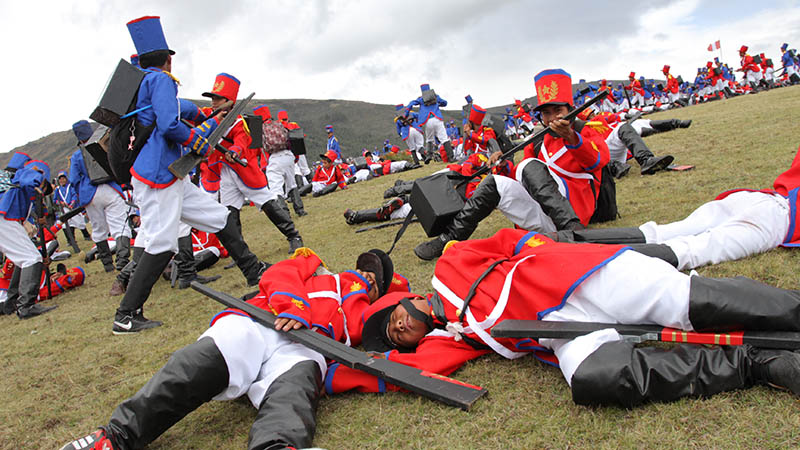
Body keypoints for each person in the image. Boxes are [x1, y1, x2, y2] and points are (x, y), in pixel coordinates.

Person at [329, 227, 800, 409]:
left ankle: (792, 311)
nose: (399, 330)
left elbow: (510, 240)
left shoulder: (451, 266)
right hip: (561, 332)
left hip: (579, 276)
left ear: (405, 300)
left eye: (393, 320)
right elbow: (399, 371)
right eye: (397, 337)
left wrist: (547, 256)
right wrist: (328, 370)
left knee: (691, 303)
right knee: (596, 380)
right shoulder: (454, 340)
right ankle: (754, 363)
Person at [60, 248, 395, 450]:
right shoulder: (317, 268)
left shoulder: (367, 314)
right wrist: (292, 305)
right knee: (198, 363)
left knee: (294, 393)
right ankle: (117, 436)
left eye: (374, 280)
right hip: (263, 320)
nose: (366, 277)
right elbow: (280, 273)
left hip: (307, 348)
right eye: (365, 270)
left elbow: (401, 325)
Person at [113, 16, 267, 334]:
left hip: (167, 175)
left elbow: (175, 108)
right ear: (168, 59)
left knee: (218, 215)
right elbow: (169, 123)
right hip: (159, 175)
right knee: (161, 243)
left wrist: (203, 115)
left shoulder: (147, 82)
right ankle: (126, 315)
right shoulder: (162, 81)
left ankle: (255, 272)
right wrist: (197, 138)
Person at [414, 69, 609, 260]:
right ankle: (447, 238)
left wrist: (572, 138)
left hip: (574, 211)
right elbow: (522, 179)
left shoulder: (586, 132)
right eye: (547, 113)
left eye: (558, 111)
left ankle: (574, 232)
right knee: (494, 182)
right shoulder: (537, 141)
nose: (552, 118)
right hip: (544, 214)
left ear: (570, 110)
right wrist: (502, 164)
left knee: (528, 165)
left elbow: (598, 161)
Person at [549, 144, 800, 271]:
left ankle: (559, 241)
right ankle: (573, 258)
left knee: (667, 232)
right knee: (691, 250)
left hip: (760, 198)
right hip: (777, 219)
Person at [205, 97, 304, 254]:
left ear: (229, 102)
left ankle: (294, 236)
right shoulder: (210, 117)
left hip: (243, 170)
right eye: (212, 99)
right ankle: (241, 252)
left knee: (266, 202)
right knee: (230, 211)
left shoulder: (239, 122)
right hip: (224, 169)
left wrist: (235, 150)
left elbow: (241, 140)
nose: (213, 102)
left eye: (217, 99)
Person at [69, 120, 133, 273]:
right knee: (120, 225)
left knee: (99, 229)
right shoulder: (104, 147)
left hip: (90, 194)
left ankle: (107, 265)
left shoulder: (77, 156)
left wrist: (80, 196)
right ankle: (122, 261)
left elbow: (73, 179)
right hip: (111, 188)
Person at [0, 159, 58, 318]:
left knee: (22, 258)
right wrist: (38, 177)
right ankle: (26, 306)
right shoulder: (27, 174)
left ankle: (11, 303)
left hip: (6, 220)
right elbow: (28, 177)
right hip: (4, 220)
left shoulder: (16, 182)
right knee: (32, 259)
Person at [404, 84, 453, 163]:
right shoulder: (435, 97)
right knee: (444, 138)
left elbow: (411, 103)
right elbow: (445, 103)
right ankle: (450, 157)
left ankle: (429, 155)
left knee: (429, 139)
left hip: (428, 121)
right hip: (437, 118)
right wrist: (438, 104)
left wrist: (406, 113)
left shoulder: (420, 99)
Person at [277, 109, 308, 217]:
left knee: (277, 186)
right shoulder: (293, 125)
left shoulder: (276, 127)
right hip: (293, 155)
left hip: (278, 158)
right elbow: (300, 137)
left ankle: (285, 212)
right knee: (294, 179)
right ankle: (299, 208)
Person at [53, 170, 84, 254]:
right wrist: (60, 203)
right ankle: (70, 240)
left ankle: (86, 235)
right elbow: (55, 200)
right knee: (66, 225)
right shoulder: (57, 190)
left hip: (72, 207)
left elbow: (74, 195)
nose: (62, 181)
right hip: (63, 209)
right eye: (60, 179)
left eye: (63, 178)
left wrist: (72, 203)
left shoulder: (70, 187)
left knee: (79, 221)